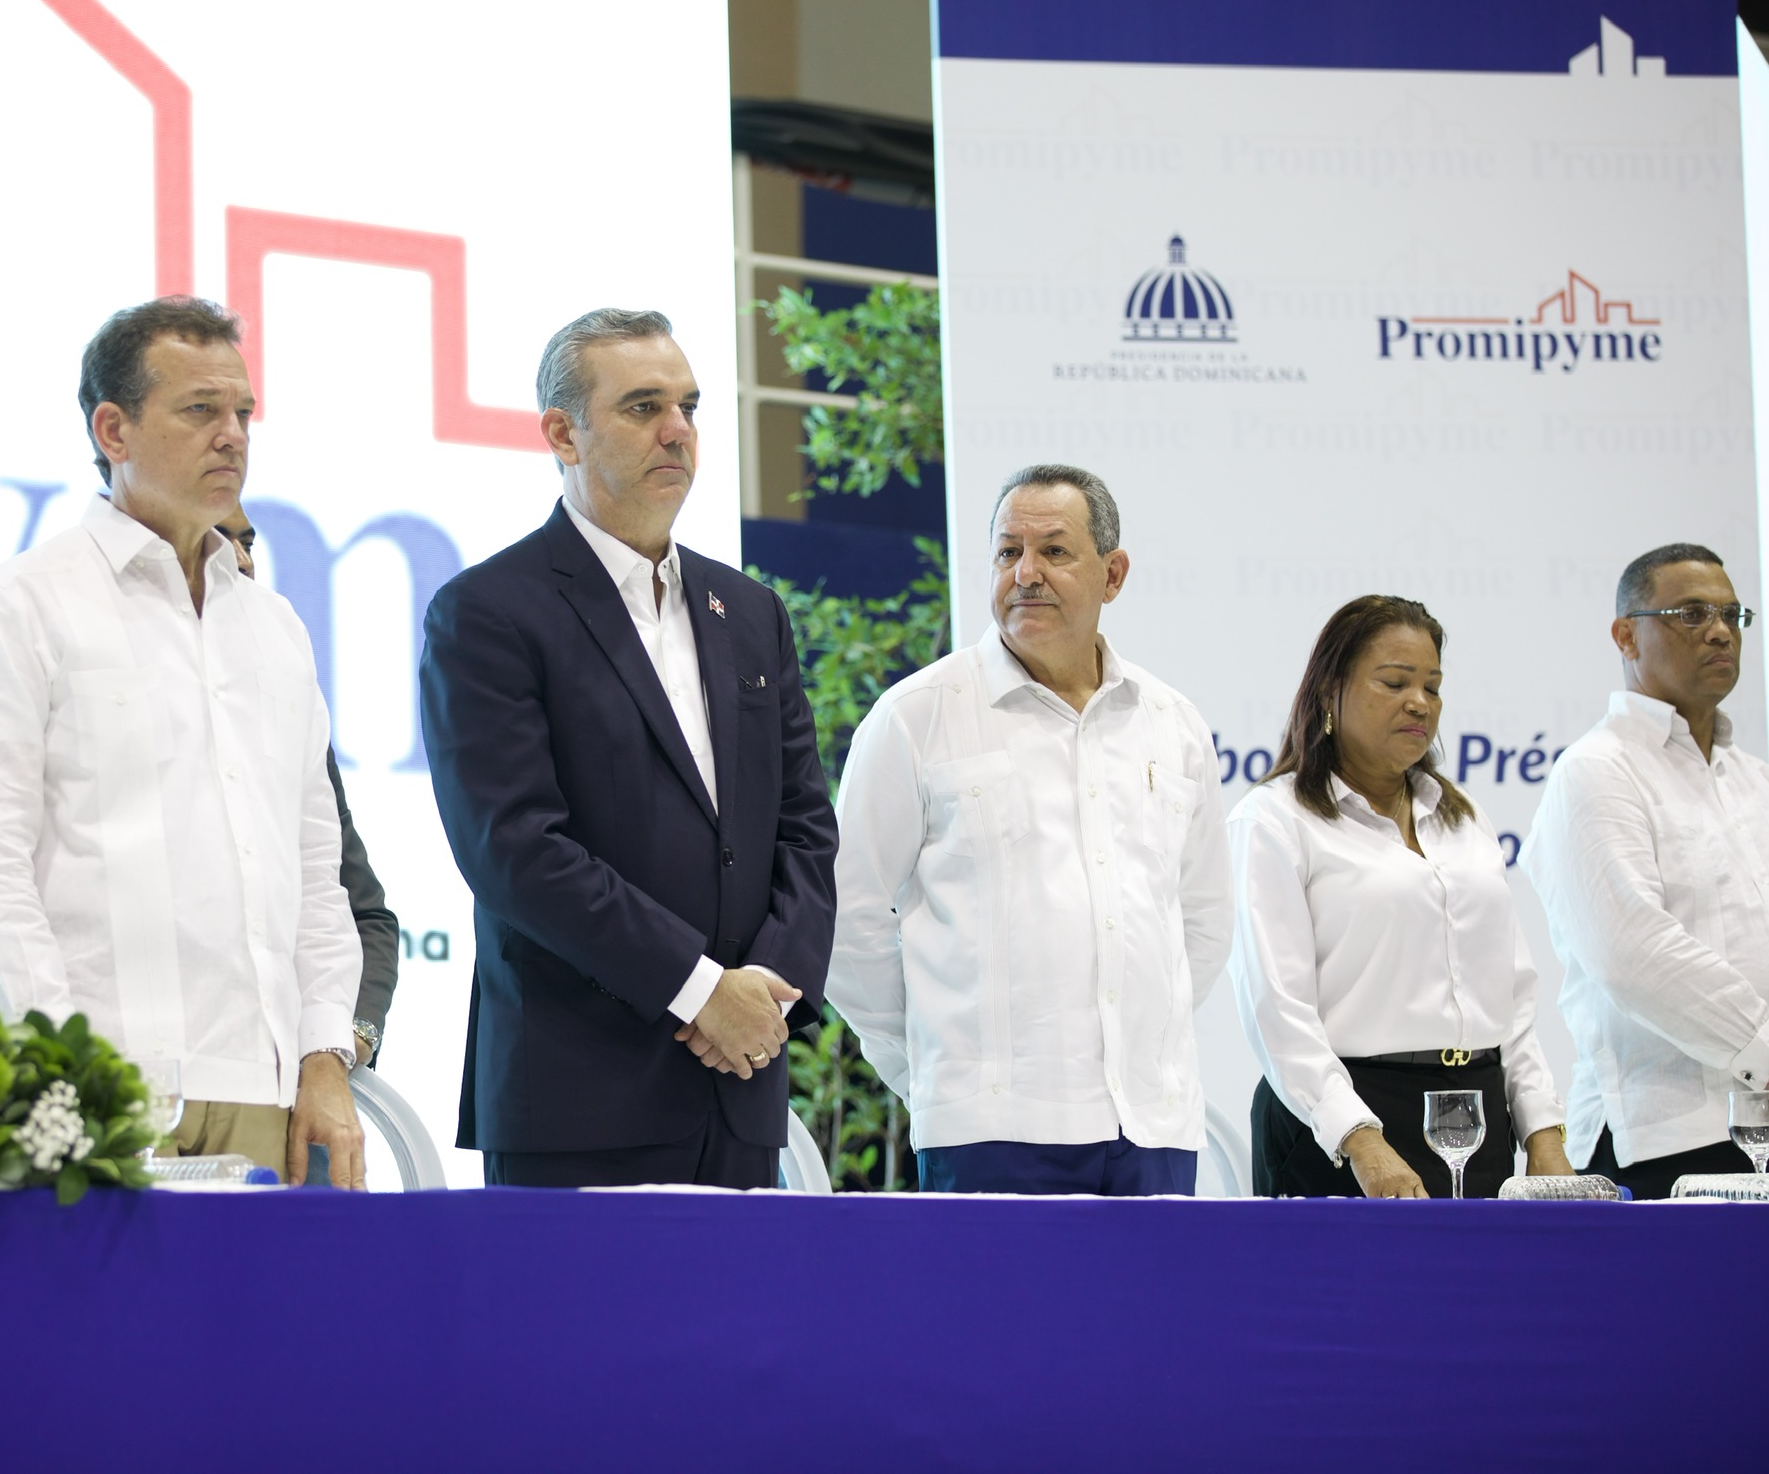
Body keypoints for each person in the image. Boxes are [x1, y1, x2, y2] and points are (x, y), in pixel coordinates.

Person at [0, 297, 366, 1186]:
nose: (233, 436)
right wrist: (59, 1072)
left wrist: (325, 1054)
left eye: (242, 412)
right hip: (104, 1092)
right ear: (114, 429)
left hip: (270, 1096)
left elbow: (315, 875)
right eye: (200, 409)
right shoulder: (24, 604)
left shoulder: (276, 627)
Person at [419, 307, 837, 1189]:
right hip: (577, 1101)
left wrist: (764, 990)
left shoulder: (750, 612)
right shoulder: (489, 613)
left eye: (688, 406)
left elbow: (805, 827)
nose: (677, 430)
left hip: (740, 1082)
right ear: (561, 434)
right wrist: (700, 990)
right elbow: (515, 851)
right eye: (644, 407)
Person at [827, 464, 1226, 1196]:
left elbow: (1200, 922)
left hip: (1153, 1131)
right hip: (987, 1133)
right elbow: (846, 918)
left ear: (1113, 574)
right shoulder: (917, 716)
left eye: (1054, 551)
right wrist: (936, 1067)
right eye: (1008, 552)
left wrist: (1140, 1048)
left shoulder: (1173, 725)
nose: (1026, 574)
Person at [1228, 596, 1572, 1199]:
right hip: (1338, 1126)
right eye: (1394, 683)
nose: (1420, 702)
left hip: (1475, 1114)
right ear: (1330, 690)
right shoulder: (1275, 819)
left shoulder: (1463, 818)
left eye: (1432, 687)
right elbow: (1277, 1011)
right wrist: (1360, 1139)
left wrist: (1543, 1131)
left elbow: (1511, 995)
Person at [1525, 543, 1769, 1198]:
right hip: (1671, 1136)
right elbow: (1632, 953)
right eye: (1691, 613)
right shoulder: (1596, 770)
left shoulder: (1762, 782)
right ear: (1626, 636)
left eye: (1733, 615)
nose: (1720, 631)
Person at [217, 506, 400, 1067]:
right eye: (220, 541)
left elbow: (364, 914)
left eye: (249, 543)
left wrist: (346, 1039)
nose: (242, 561)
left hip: (294, 1074)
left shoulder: (283, 704)